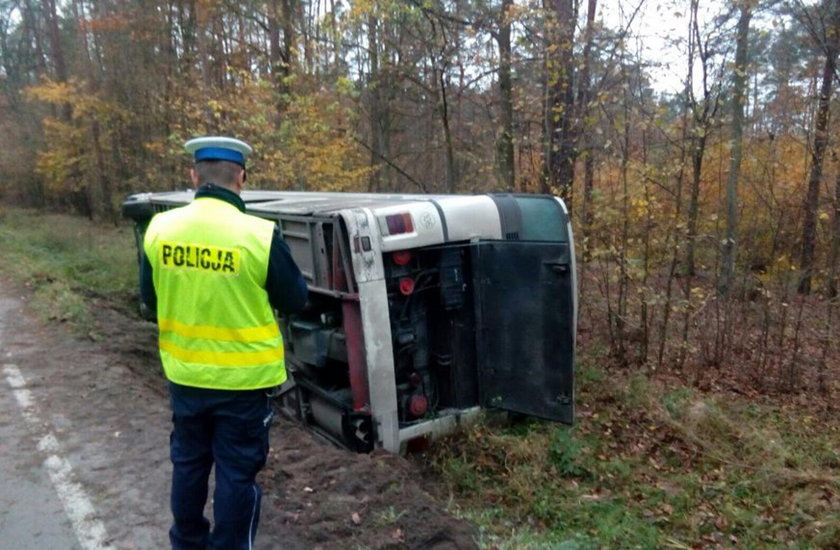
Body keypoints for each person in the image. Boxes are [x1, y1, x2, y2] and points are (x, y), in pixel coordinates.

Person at [140, 136, 308, 549]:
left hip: (186, 376)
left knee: (189, 464)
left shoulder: (160, 228)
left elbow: (149, 299)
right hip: (243, 385)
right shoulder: (259, 235)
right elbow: (295, 300)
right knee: (236, 474)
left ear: (194, 176)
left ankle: (187, 542)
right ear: (242, 178)